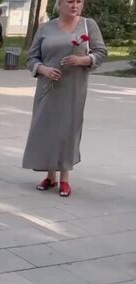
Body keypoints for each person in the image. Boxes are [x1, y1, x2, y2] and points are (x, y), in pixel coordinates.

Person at [22, 0, 106, 197]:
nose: (75, 5)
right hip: (48, 88)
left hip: (73, 88)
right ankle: (50, 176)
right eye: (70, 1)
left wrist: (82, 60)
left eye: (79, 1)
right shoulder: (45, 28)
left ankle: (65, 178)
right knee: (47, 128)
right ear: (59, 4)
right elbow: (31, 58)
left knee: (67, 129)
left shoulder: (88, 25)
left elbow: (101, 53)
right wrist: (44, 69)